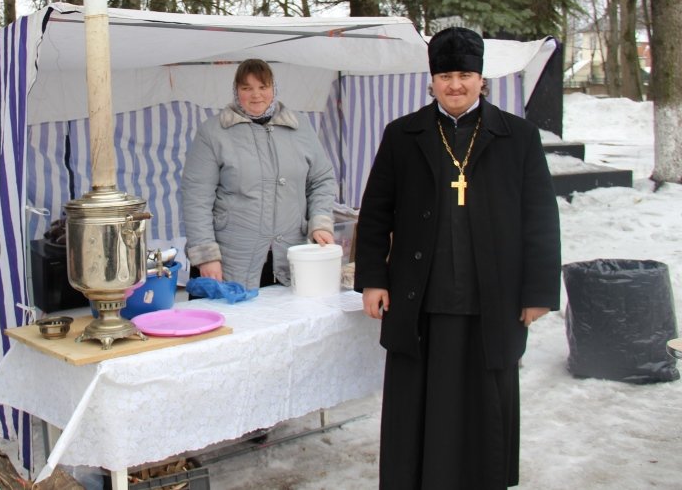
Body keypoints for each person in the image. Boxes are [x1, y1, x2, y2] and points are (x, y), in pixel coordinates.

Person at [354, 27, 561, 489]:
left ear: (481, 79)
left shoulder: (518, 136)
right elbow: (376, 213)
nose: (455, 85)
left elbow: (541, 219)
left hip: (492, 299)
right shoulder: (402, 135)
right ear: (432, 81)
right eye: (445, 76)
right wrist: (373, 279)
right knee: (417, 405)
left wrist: (538, 292)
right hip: (420, 299)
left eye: (464, 75)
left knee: (484, 406)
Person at [181, 58, 337, 289]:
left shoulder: (300, 126)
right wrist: (206, 256)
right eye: (247, 88)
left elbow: (321, 180)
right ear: (236, 91)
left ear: (274, 89)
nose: (256, 95)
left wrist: (320, 222)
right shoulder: (213, 132)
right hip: (230, 260)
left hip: (290, 256)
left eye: (263, 87)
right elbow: (196, 197)